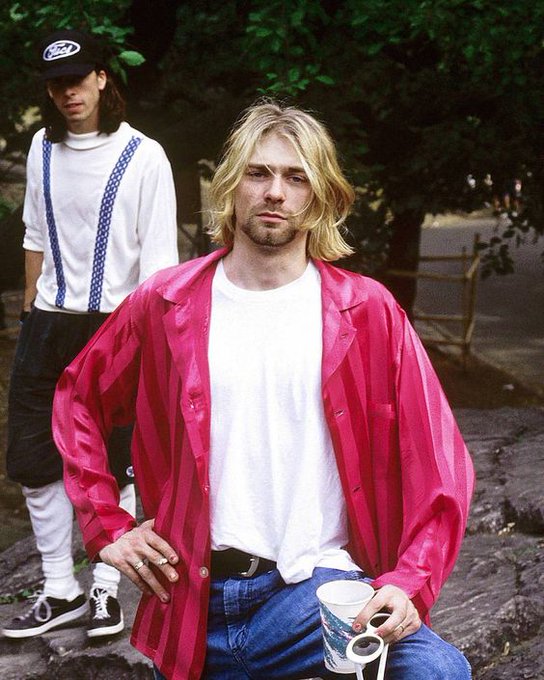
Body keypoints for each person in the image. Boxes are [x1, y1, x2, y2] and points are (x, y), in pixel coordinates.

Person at [52, 101, 474, 679]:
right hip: (191, 602)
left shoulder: (366, 312)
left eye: (295, 177)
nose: (275, 191)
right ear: (232, 185)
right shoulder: (165, 303)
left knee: (435, 673)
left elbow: (442, 465)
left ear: (319, 196)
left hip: (317, 597)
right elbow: (79, 397)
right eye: (258, 172)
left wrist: (409, 582)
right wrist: (107, 527)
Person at [2, 29, 178, 640]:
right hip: (46, 324)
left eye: (78, 78)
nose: (68, 92)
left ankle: (106, 590)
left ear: (103, 79)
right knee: (33, 456)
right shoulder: (40, 149)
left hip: (119, 325)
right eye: (56, 83)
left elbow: (158, 266)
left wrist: (151, 346)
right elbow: (33, 238)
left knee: (120, 461)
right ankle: (59, 589)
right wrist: (29, 315)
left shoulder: (144, 155)